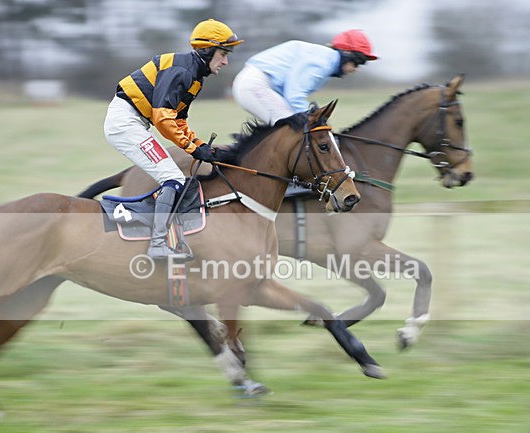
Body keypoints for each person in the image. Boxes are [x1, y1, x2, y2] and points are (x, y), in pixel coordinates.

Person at [104, 19, 242, 260]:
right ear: (207, 50)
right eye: (222, 53)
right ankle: (157, 244)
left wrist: (199, 146)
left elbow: (177, 121)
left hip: (133, 122)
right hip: (125, 123)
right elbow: (162, 118)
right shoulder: (183, 71)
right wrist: (191, 148)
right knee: (173, 177)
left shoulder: (194, 76)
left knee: (173, 176)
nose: (225, 61)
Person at [231, 29, 377, 125]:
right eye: (358, 62)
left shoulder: (325, 59)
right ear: (347, 54)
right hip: (256, 84)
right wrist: (315, 119)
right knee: (296, 130)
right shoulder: (323, 61)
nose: (356, 69)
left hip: (256, 84)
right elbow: (294, 95)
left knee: (296, 129)